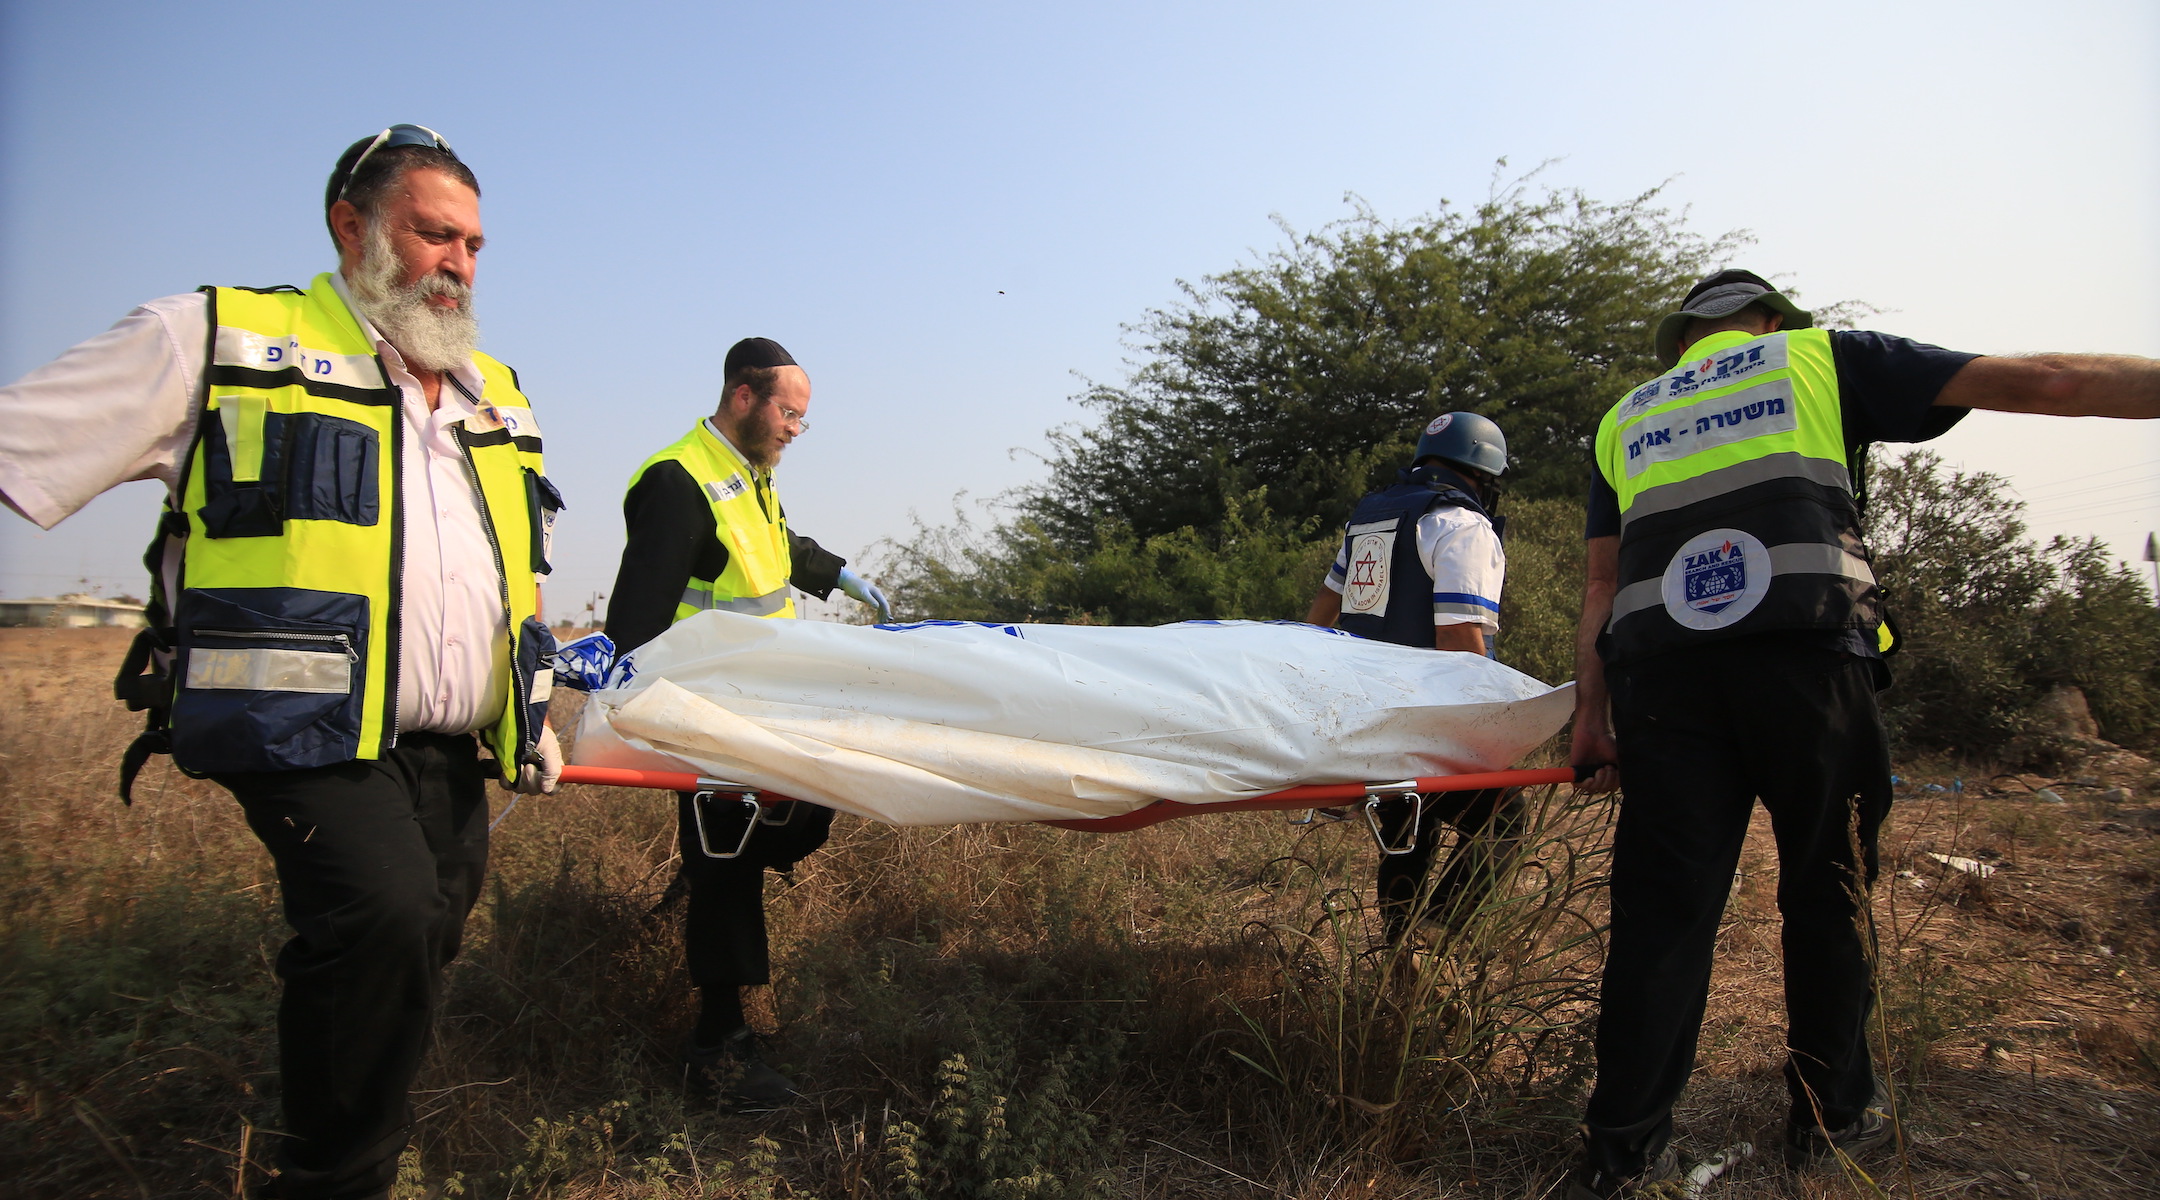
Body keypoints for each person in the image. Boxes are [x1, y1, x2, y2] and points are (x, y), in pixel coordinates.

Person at [0, 126, 563, 1199]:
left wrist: (528, 716)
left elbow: (514, 573)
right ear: (351, 228)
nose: (458, 264)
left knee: (418, 935)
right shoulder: (220, 339)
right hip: (301, 731)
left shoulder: (496, 392)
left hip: (448, 743)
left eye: (476, 244)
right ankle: (335, 1178)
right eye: (433, 233)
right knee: (383, 917)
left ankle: (339, 1107)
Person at [1563, 268, 2160, 1197]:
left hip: (1660, 685)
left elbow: (1602, 587)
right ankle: (1830, 1124)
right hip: (1803, 664)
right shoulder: (1819, 357)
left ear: (1682, 341)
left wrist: (1588, 718)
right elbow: (2051, 383)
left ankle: (1620, 1151)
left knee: (1662, 921)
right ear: (1768, 321)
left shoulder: (1626, 416)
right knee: (1827, 892)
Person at [603, 336, 888, 1104]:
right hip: (707, 717)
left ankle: (698, 891)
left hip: (762, 704)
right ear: (743, 398)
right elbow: (635, 622)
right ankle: (718, 1050)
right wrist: (650, 713)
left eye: (803, 417)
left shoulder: (748, 474)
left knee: (802, 819)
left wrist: (834, 573)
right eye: (789, 413)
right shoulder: (677, 482)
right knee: (728, 857)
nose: (797, 428)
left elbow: (771, 547)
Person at [1304, 412, 1526, 945]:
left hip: (1366, 716)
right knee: (1504, 818)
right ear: (1485, 473)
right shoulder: (1462, 526)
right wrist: (1495, 728)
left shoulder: (1369, 520)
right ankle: (1436, 935)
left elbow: (1318, 618)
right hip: (1428, 719)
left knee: (1408, 832)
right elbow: (1459, 641)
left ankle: (1401, 952)